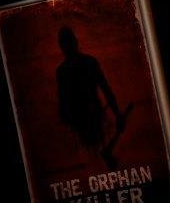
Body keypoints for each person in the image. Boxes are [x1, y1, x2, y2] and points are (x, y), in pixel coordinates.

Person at [56, 25, 130, 169]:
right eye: (65, 43)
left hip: (89, 122)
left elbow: (63, 106)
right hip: (85, 124)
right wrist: (118, 115)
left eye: (67, 43)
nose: (67, 47)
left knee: (96, 164)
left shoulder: (67, 70)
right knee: (96, 164)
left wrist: (118, 115)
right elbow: (106, 90)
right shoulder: (82, 64)